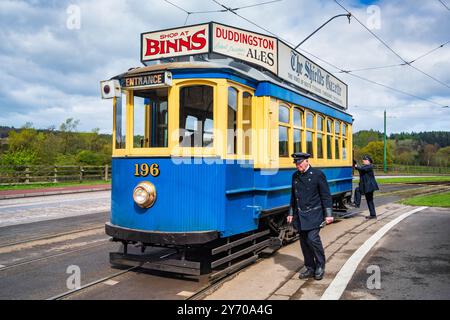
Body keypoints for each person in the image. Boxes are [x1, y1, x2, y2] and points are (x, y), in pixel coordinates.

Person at [287, 152, 334, 281]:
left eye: (300, 163)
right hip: (300, 214)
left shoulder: (318, 174)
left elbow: (326, 195)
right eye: (296, 164)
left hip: (314, 213)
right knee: (304, 243)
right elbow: (293, 197)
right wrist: (291, 213)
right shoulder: (295, 176)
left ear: (307, 161)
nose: (298, 166)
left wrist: (328, 214)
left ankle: (320, 265)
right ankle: (310, 267)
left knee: (313, 239)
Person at [353, 155, 379, 219]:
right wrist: (354, 163)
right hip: (367, 186)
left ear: (368, 161)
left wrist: (357, 166)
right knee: (369, 200)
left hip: (369, 186)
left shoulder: (369, 166)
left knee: (358, 190)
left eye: (364, 160)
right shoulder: (365, 166)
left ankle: (356, 204)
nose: (363, 161)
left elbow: (362, 169)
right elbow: (360, 169)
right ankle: (373, 215)